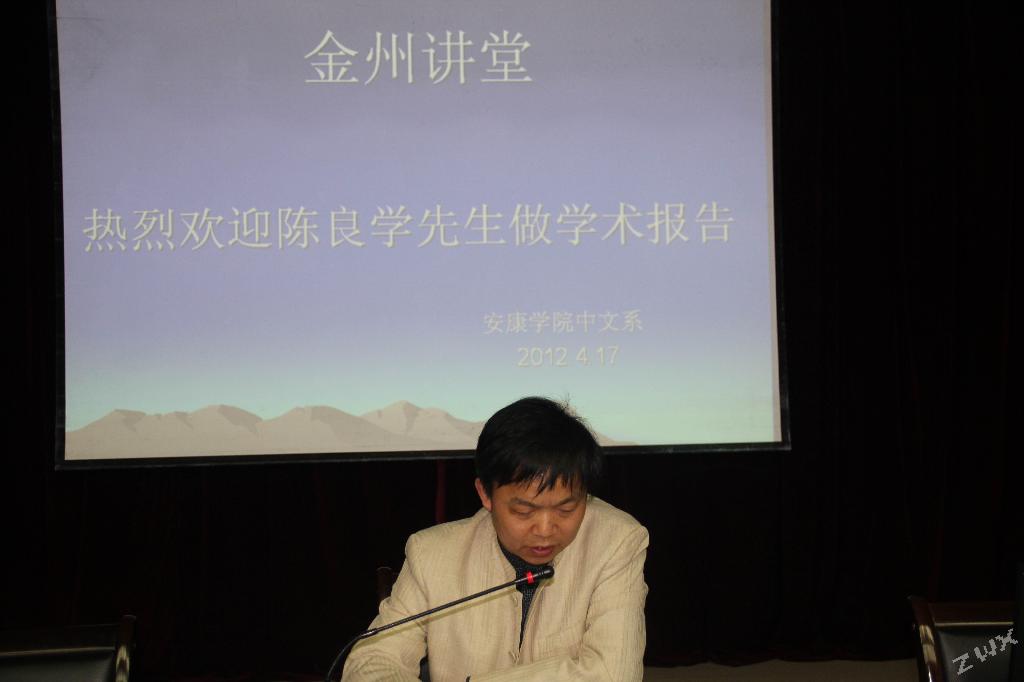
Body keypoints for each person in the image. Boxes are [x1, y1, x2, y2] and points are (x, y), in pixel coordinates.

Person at [342, 397, 649, 681]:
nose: (545, 529)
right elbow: (373, 659)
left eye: (566, 509)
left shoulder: (617, 541)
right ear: (485, 494)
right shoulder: (432, 553)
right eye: (524, 511)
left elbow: (614, 673)